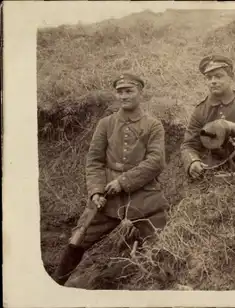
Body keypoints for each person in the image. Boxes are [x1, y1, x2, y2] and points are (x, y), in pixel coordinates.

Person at [52, 73, 169, 286]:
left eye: (129, 91)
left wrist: (123, 182)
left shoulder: (153, 125)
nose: (124, 96)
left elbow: (156, 162)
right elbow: (94, 161)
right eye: (120, 92)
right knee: (78, 238)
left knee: (162, 242)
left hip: (144, 194)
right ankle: (53, 286)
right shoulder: (105, 124)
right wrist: (96, 191)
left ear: (140, 93)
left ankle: (160, 286)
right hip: (108, 197)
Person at [180, 55, 235, 179]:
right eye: (209, 78)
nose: (213, 81)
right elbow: (189, 145)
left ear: (231, 78)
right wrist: (193, 161)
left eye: (219, 76)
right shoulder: (200, 111)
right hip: (214, 169)